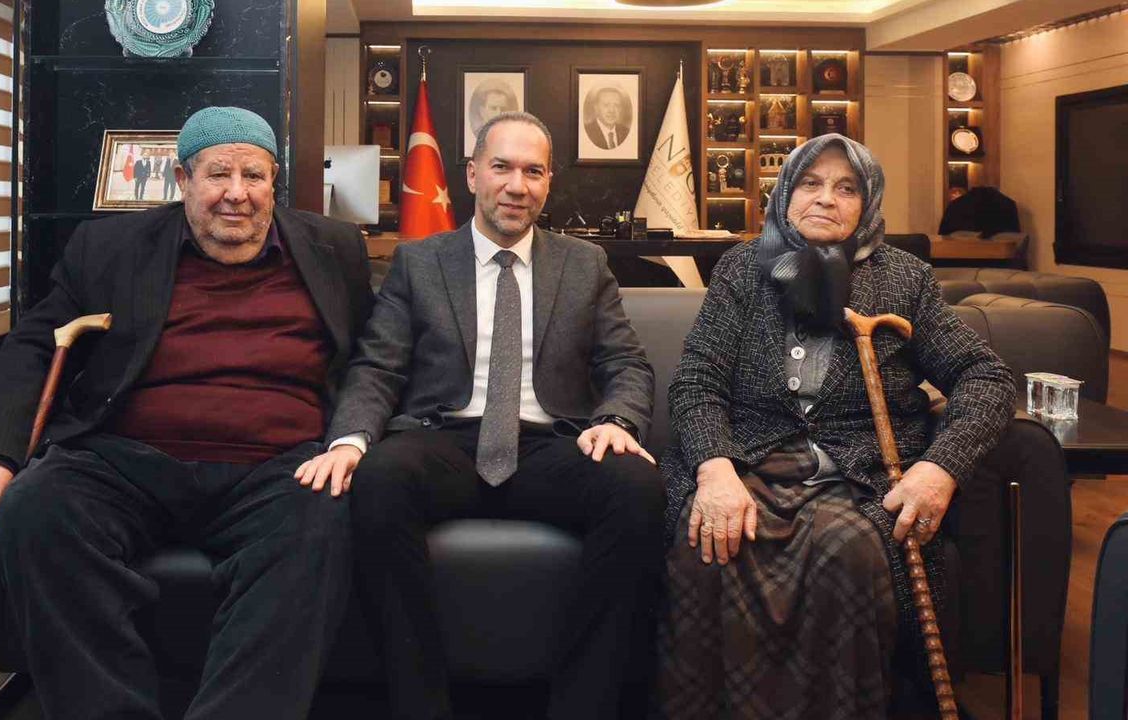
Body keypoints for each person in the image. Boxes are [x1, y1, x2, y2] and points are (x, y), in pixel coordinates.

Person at [0, 106, 375, 720]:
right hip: (125, 460)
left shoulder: (334, 249)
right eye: (218, 174)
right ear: (181, 180)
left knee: (320, 523)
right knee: (37, 509)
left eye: (254, 176)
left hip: (280, 466)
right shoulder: (110, 247)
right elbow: (33, 347)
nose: (237, 194)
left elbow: (373, 356)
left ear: (273, 181)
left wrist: (350, 439)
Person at [295, 111, 664, 720]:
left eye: (533, 171)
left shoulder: (584, 264)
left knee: (638, 489)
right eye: (501, 167)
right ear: (472, 175)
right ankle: (420, 706)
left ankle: (583, 705)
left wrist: (616, 421)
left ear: (548, 182)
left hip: (550, 442)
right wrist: (351, 440)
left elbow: (626, 363)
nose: (517, 185)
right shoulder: (420, 261)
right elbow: (378, 366)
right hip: (445, 438)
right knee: (378, 480)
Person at [655, 134, 1015, 719]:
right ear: (785, 193)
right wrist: (714, 471)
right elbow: (697, 381)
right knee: (709, 543)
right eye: (811, 183)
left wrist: (938, 469)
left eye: (846, 188)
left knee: (844, 551)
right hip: (746, 465)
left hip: (858, 478)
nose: (826, 198)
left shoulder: (905, 279)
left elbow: (986, 378)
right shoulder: (742, 269)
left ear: (867, 203)